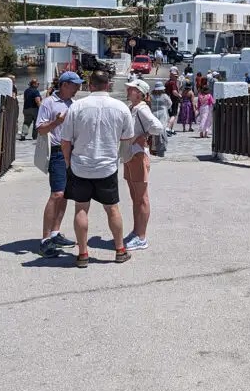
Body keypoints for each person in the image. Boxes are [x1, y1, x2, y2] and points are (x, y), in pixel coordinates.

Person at [61, 70, 135, 267]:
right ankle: (120, 250)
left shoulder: (77, 107)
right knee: (112, 209)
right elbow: (127, 139)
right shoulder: (120, 108)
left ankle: (83, 254)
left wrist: (68, 163)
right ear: (108, 85)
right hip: (107, 166)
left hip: (80, 165)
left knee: (81, 208)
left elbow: (65, 140)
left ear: (90, 85)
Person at [35, 71, 82, 258]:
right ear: (64, 85)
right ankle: (45, 239)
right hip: (57, 152)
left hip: (73, 152)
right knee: (57, 194)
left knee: (65, 195)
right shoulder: (48, 103)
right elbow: (40, 129)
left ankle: (55, 233)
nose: (78, 88)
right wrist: (57, 122)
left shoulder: (75, 104)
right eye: (74, 84)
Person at [124, 79, 164, 251]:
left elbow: (158, 127)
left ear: (139, 92)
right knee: (135, 198)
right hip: (130, 154)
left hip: (138, 154)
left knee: (141, 198)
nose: (128, 90)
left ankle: (141, 237)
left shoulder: (141, 108)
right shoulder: (133, 107)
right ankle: (136, 231)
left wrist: (144, 135)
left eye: (132, 88)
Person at [149, 82, 172, 158]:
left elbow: (149, 105)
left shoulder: (151, 96)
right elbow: (170, 104)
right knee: (162, 130)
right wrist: (165, 108)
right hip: (162, 114)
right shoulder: (164, 96)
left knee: (155, 130)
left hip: (154, 114)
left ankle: (154, 147)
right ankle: (161, 146)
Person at [165, 67, 181, 135]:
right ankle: (168, 128)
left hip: (167, 100)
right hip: (173, 100)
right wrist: (179, 95)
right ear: (172, 76)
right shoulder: (173, 83)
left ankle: (171, 129)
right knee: (173, 115)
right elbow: (174, 92)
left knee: (171, 114)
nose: (176, 77)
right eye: (175, 76)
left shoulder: (167, 82)